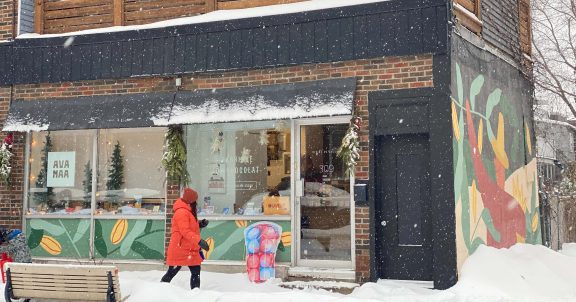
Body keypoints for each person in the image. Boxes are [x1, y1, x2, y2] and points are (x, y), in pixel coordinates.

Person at [161, 188, 210, 289]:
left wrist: (200, 224)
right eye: (195, 200)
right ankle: (159, 291)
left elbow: (188, 226)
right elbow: (185, 231)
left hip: (189, 248)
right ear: (191, 201)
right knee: (172, 272)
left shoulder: (187, 211)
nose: (196, 203)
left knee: (196, 272)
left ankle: (195, 294)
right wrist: (199, 241)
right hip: (180, 248)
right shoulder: (182, 212)